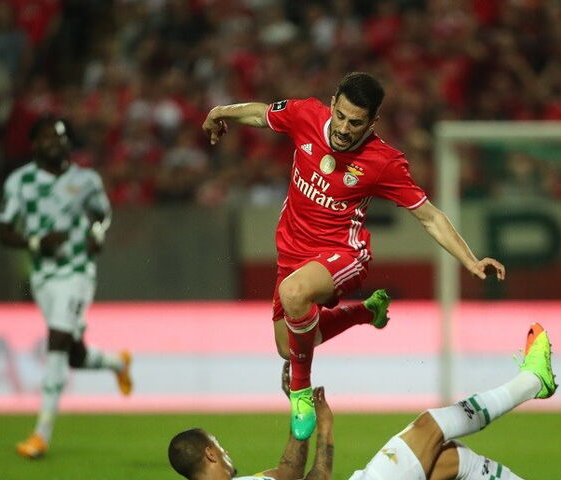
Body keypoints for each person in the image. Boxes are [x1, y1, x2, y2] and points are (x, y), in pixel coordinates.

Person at [201, 72, 506, 440]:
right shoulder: (305, 116)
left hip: (344, 253)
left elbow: (429, 217)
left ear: (373, 123)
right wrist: (221, 111)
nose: (344, 129)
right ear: (332, 104)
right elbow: (260, 114)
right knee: (290, 345)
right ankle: (365, 311)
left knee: (295, 295)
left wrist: (470, 260)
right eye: (341, 116)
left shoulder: (384, 162)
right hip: (292, 253)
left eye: (356, 122)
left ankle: (301, 394)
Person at [169, 323, 561, 480]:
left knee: (450, 458)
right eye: (221, 448)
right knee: (430, 425)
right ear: (209, 455)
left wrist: (297, 405)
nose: (227, 454)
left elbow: (287, 470)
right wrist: (325, 427)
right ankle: (533, 382)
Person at [0, 116, 133, 458]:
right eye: (48, 137)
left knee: (56, 341)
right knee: (73, 354)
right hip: (43, 276)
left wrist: (97, 232)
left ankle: (41, 433)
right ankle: (117, 363)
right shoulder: (20, 182)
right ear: (34, 144)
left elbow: (102, 214)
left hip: (77, 272)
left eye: (62, 137)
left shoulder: (86, 180)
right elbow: (3, 231)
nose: (56, 143)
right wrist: (36, 242)